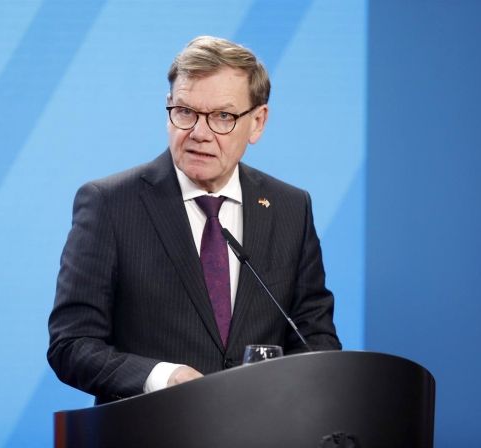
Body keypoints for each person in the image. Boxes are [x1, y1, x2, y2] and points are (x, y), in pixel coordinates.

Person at [47, 36, 341, 403]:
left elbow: (315, 339)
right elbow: (72, 344)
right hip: (152, 426)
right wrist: (161, 377)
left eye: (222, 117)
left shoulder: (290, 208)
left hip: (260, 426)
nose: (199, 134)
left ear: (257, 122)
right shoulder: (110, 204)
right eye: (185, 112)